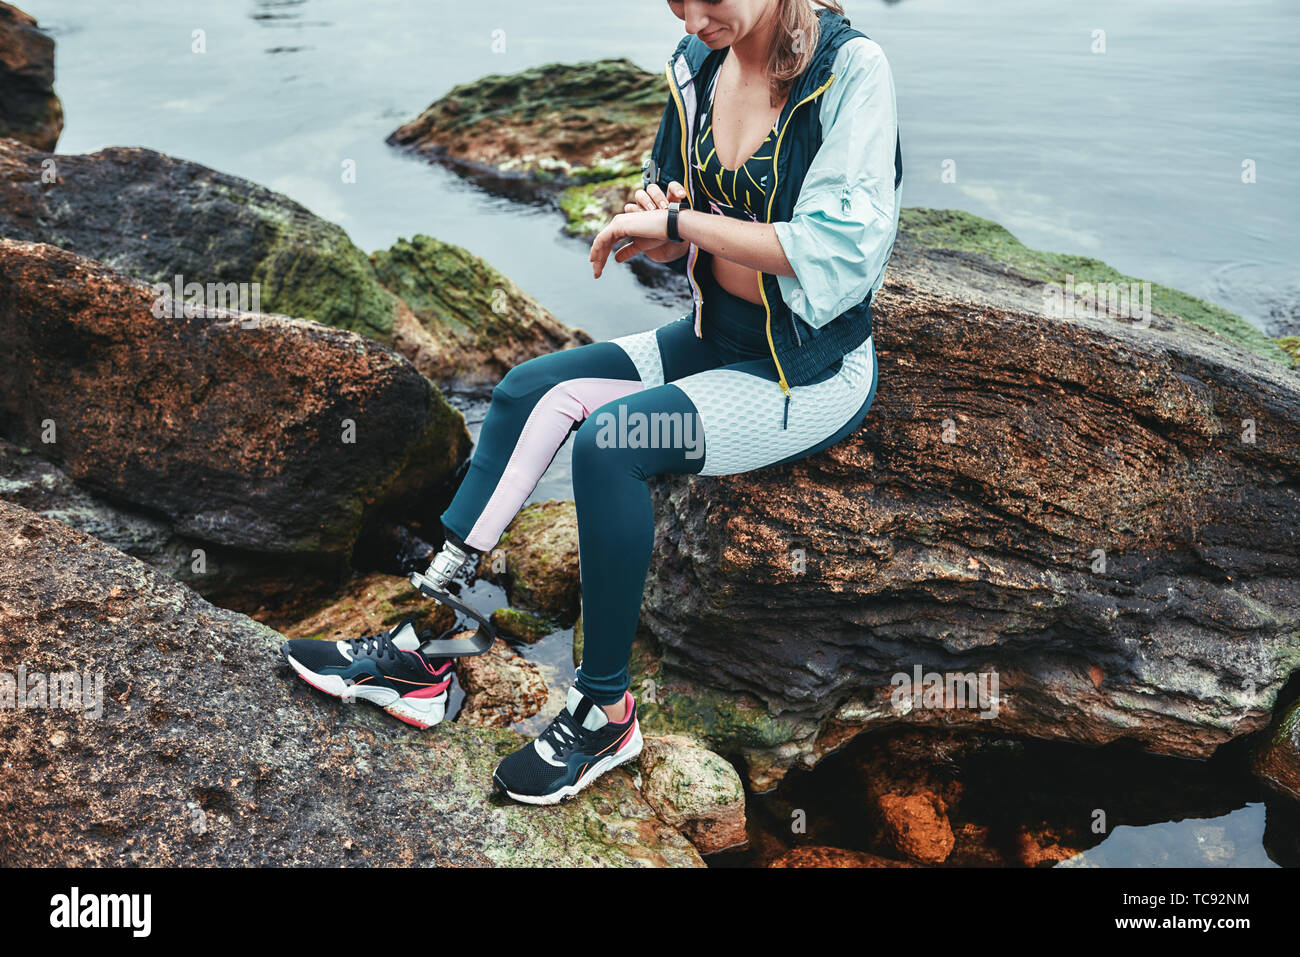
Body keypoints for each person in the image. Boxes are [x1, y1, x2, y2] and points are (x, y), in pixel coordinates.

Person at [282, 0, 901, 806]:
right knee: (524, 389)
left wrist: (686, 220)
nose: (686, 12)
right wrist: (661, 227)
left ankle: (606, 710)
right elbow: (682, 225)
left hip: (805, 372)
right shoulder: (699, 59)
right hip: (715, 336)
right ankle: (427, 641)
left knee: (613, 444)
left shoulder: (851, 73)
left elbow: (835, 252)